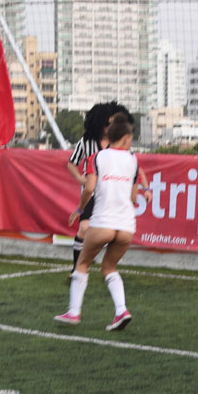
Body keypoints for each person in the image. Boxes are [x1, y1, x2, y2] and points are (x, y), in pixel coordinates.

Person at [55, 114, 142, 330]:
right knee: (110, 267)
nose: (131, 140)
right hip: (126, 225)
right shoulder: (133, 161)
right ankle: (121, 310)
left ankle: (74, 313)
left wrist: (80, 209)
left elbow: (90, 188)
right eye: (130, 137)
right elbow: (133, 198)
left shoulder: (98, 157)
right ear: (124, 138)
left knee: (83, 264)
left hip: (103, 220)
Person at [66, 101, 132, 270]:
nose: (107, 127)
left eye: (110, 124)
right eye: (105, 124)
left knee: (112, 234)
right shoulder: (86, 143)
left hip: (110, 194)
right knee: (83, 228)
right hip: (91, 194)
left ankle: (104, 264)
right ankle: (77, 268)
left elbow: (132, 166)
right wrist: (81, 179)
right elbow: (71, 163)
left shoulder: (119, 144)